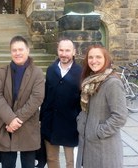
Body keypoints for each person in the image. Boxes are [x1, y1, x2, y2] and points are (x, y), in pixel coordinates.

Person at [0, 35, 45, 168]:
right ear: (11, 52)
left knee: (28, 164)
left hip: (27, 125)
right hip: (5, 126)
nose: (17, 53)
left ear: (27, 50)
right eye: (14, 50)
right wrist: (10, 119)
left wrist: (16, 120)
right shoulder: (1, 72)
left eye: (20, 49)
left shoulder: (37, 73)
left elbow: (37, 98)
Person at [76, 45, 128, 168]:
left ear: (106, 59)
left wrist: (98, 132)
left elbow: (120, 116)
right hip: (86, 145)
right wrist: (81, 121)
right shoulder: (89, 81)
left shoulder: (112, 83)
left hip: (104, 147)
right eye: (91, 57)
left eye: (98, 57)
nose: (94, 61)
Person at [40, 38, 82, 168]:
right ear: (57, 51)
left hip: (71, 124)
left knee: (71, 161)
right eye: (61, 50)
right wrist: (42, 118)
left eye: (67, 50)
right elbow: (46, 95)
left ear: (74, 52)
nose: (64, 54)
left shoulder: (81, 72)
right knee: (52, 159)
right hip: (51, 123)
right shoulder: (51, 69)